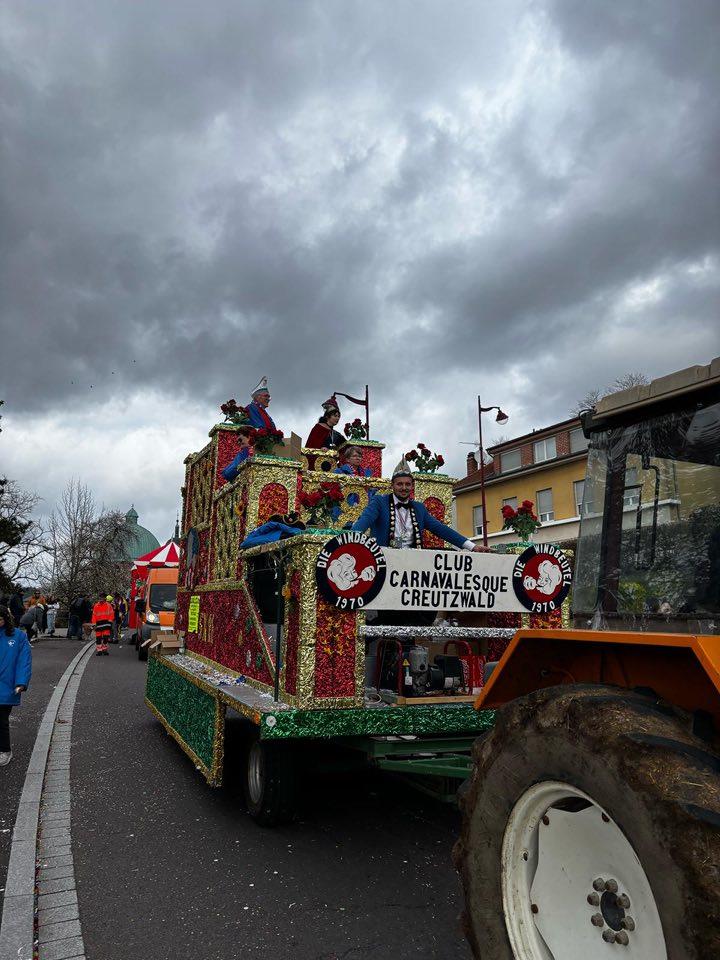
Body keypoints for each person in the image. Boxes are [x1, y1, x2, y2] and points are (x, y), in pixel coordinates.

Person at [351, 457, 488, 552]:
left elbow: (441, 529)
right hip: (384, 560)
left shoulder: (419, 508)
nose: (404, 488)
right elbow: (364, 521)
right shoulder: (379, 502)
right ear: (392, 485)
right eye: (399, 484)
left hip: (413, 563)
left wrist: (472, 546)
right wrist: (348, 541)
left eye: (407, 484)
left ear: (412, 486)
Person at [0, 605, 32, 766]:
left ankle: (5, 750)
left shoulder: (18, 636)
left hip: (7, 685)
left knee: (1, 720)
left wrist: (21, 682)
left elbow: (23, 661)